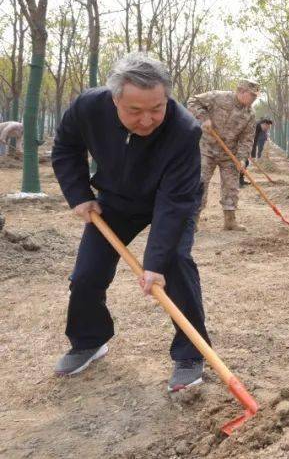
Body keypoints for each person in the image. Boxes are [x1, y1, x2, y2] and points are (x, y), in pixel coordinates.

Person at [50, 53, 209, 391]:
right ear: (114, 99)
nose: (147, 120)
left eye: (156, 108)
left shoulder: (183, 130)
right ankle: (89, 341)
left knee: (175, 263)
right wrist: (79, 194)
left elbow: (175, 203)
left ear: (166, 97)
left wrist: (154, 265)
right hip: (116, 201)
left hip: (170, 199)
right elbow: (65, 146)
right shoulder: (88, 108)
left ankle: (191, 355)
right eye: (134, 111)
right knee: (86, 275)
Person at [188, 80, 260, 231]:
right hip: (206, 148)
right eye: (252, 95)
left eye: (256, 96)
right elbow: (193, 101)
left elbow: (247, 139)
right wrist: (204, 118)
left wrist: (241, 158)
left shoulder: (250, 114)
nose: (254, 99)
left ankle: (230, 221)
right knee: (200, 183)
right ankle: (192, 220)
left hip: (229, 153)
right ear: (241, 91)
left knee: (231, 186)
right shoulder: (218, 97)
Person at [241, 118, 273, 188]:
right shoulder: (254, 127)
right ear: (264, 124)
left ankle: (240, 180)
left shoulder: (258, 128)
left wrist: (252, 155)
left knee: (245, 162)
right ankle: (238, 182)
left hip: (244, 145)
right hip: (240, 144)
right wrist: (249, 153)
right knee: (243, 162)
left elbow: (254, 142)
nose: (267, 129)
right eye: (267, 127)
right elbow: (250, 140)